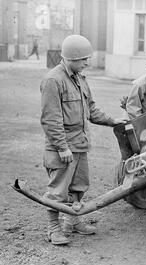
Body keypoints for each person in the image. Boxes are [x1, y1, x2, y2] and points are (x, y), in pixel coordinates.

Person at [40, 35, 127, 245]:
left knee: (79, 186)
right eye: (84, 59)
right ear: (71, 58)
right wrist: (62, 147)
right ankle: (53, 229)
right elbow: (51, 119)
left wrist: (113, 120)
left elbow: (92, 110)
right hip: (63, 147)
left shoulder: (80, 78)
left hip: (80, 144)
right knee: (58, 190)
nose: (87, 63)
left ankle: (73, 221)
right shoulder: (53, 80)